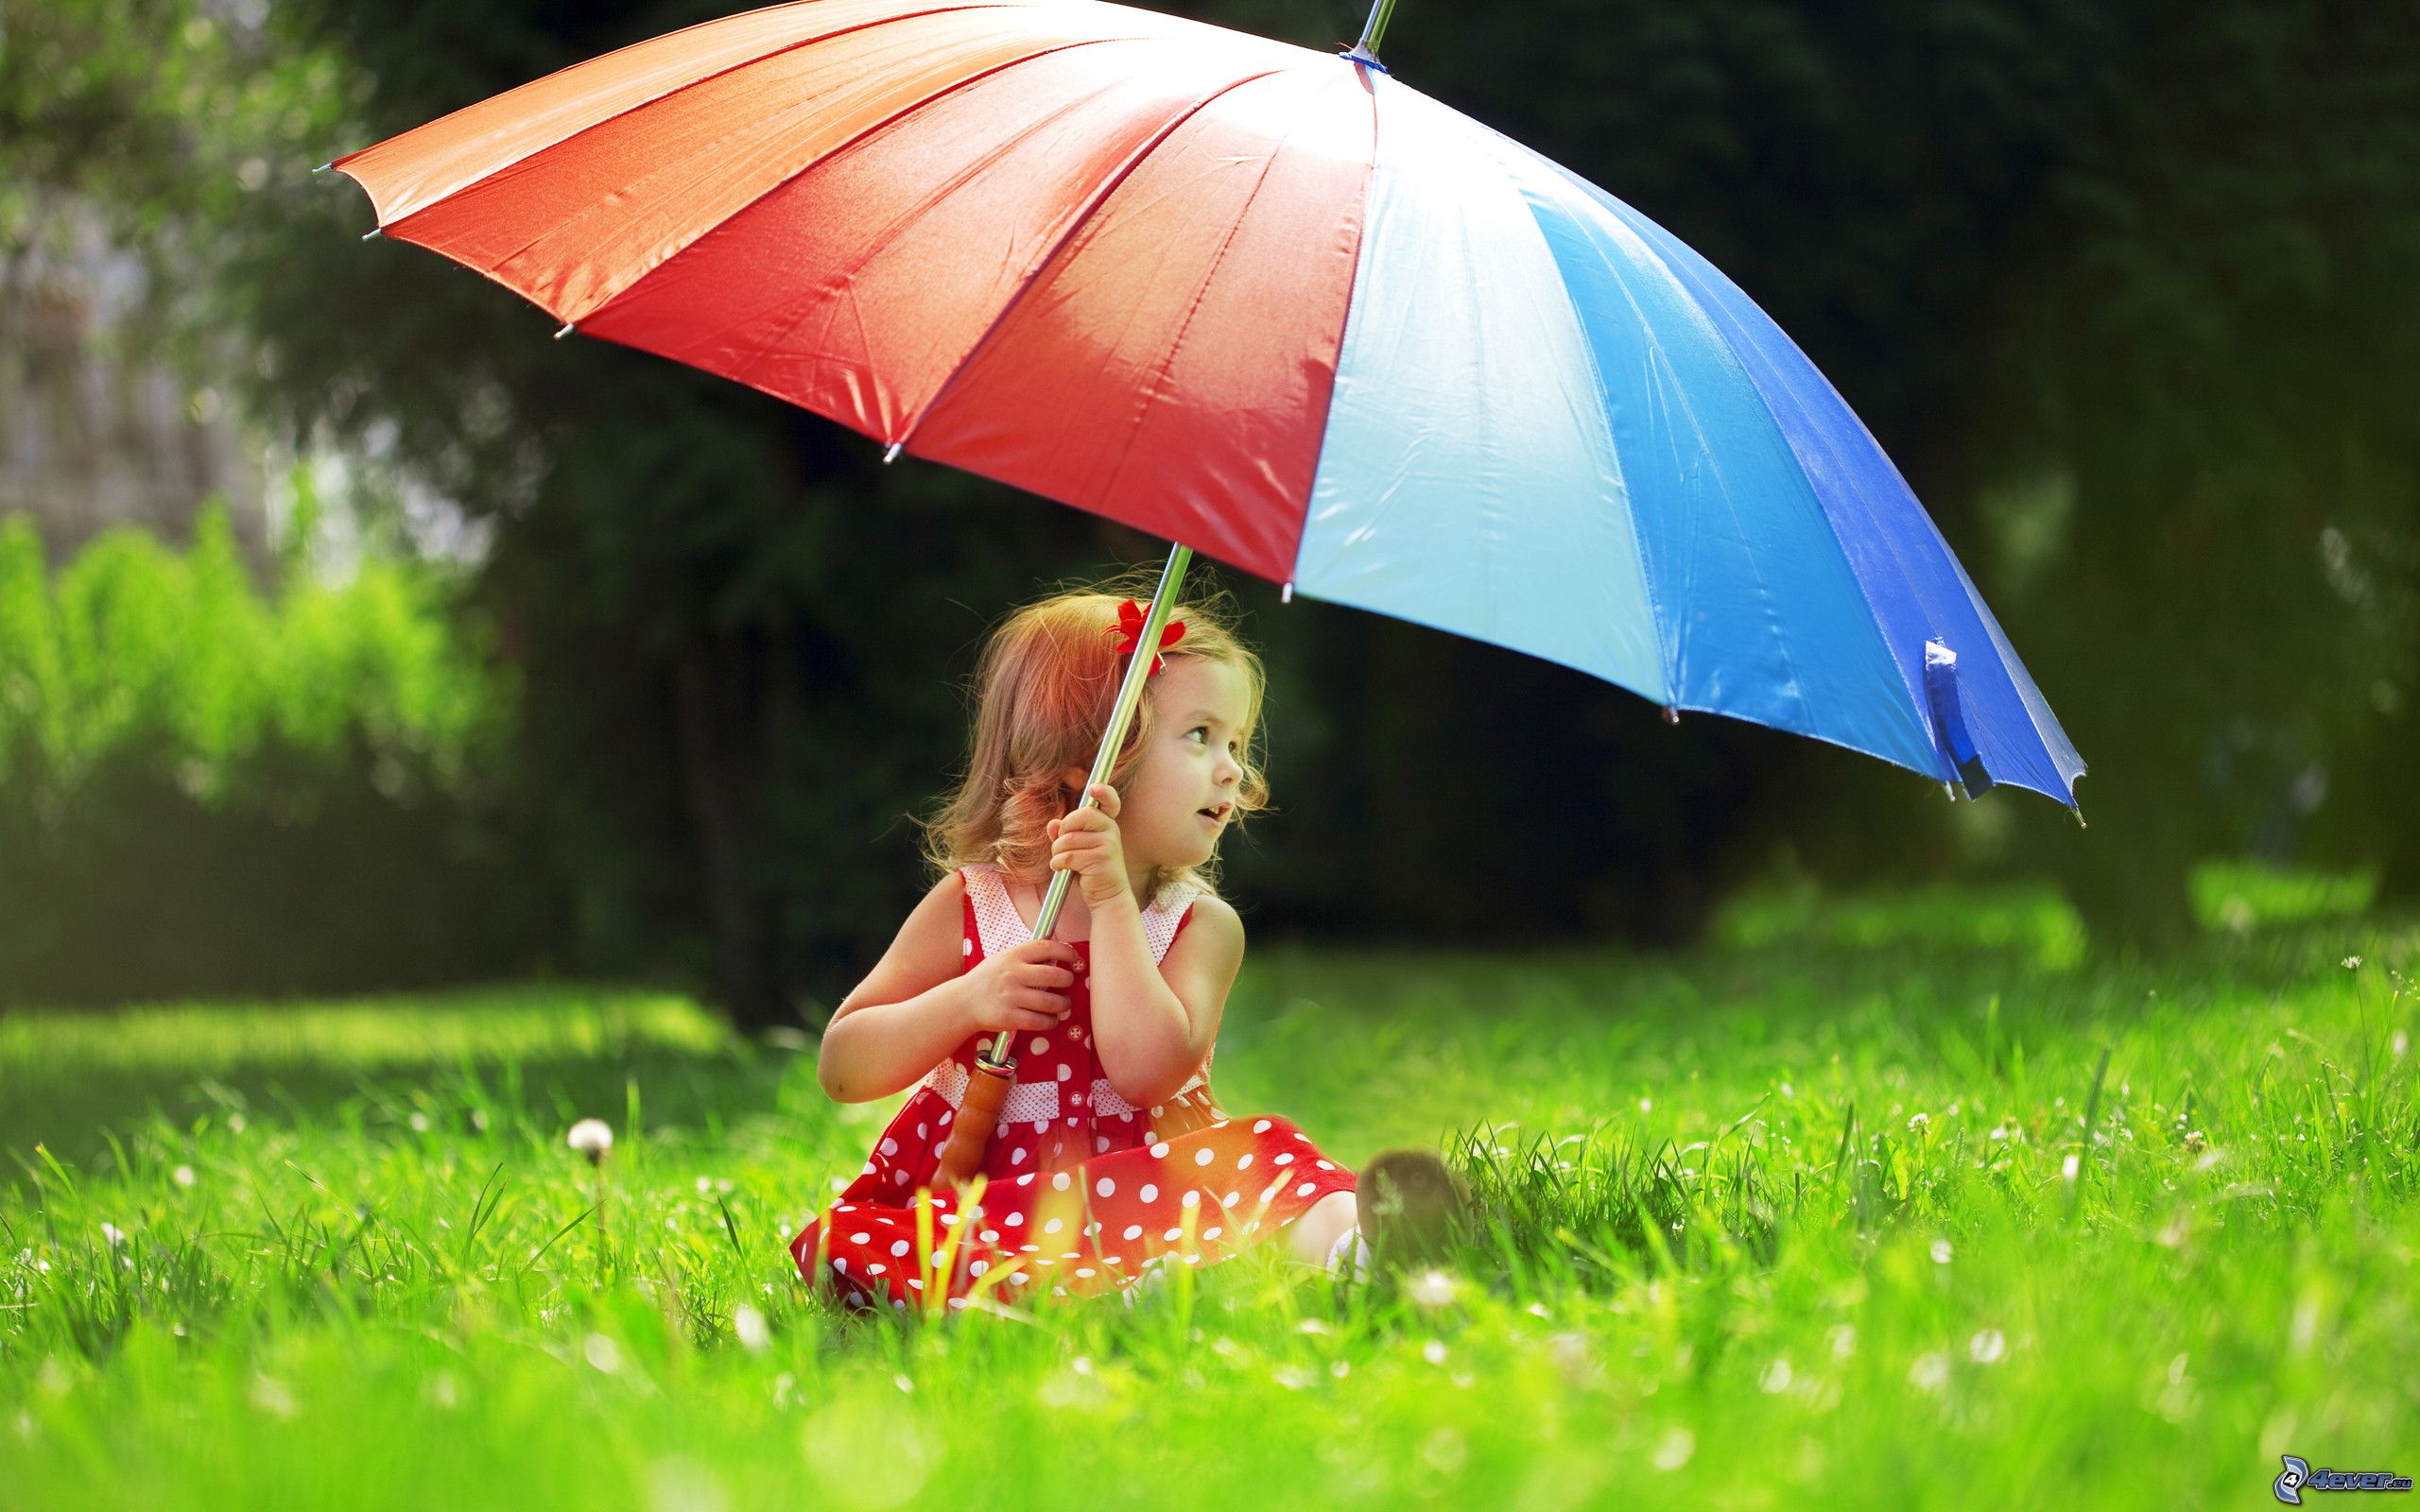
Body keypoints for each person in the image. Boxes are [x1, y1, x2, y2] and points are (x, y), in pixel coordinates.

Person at [789, 579, 1472, 1314]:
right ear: (1091, 759)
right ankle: (1103, 1295)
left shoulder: (1198, 924)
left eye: (1237, 743)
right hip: (998, 1206)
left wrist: (1113, 903)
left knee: (1268, 1162)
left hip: (1158, 1187)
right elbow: (844, 1068)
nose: (1233, 768)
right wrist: (968, 998)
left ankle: (1362, 1251)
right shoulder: (973, 907)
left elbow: (1146, 1073)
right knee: (876, 1244)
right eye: (1201, 736)